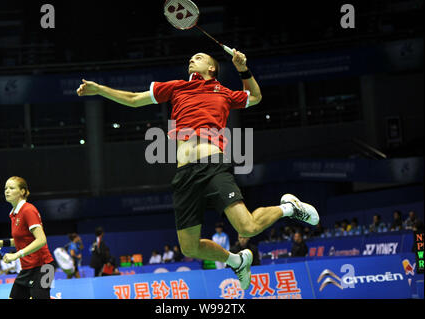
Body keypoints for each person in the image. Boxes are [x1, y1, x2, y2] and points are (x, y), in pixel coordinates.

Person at [77, 50, 320, 290]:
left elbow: (255, 97)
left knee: (247, 227)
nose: (192, 59)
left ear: (212, 68)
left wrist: (242, 69)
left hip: (213, 165)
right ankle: (237, 260)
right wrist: (100, 90)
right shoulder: (176, 87)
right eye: (191, 57)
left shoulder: (223, 91)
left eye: (199, 57)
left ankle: (289, 207)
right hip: (184, 174)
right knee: (189, 247)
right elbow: (132, 99)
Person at [0, 176, 56, 299]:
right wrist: (1, 243)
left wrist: (16, 255)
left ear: (22, 191)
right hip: (27, 269)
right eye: (5, 188)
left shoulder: (28, 210)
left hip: (44, 267)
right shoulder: (14, 213)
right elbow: (22, 240)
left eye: (11, 188)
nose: (7, 191)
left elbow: (41, 240)